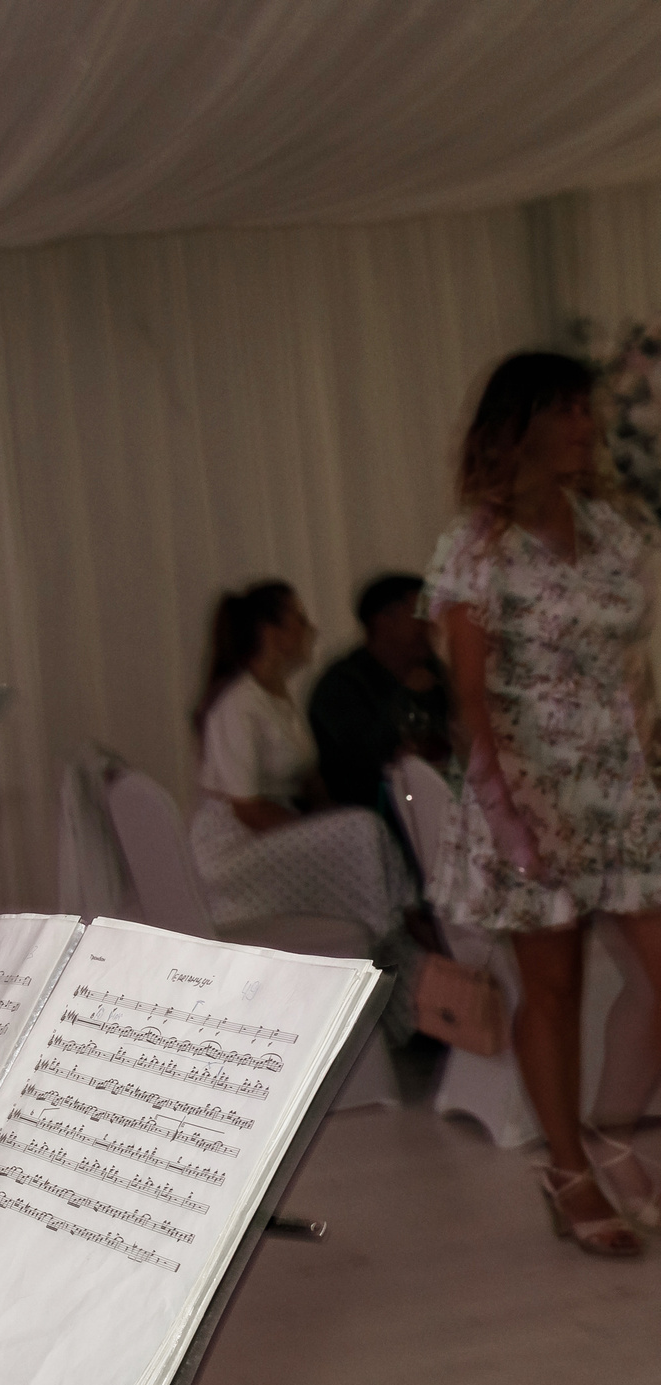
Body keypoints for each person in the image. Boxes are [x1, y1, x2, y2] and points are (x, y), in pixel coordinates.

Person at [425, 350, 661, 1258]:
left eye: (588, 411)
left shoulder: (607, 531)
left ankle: (611, 1133)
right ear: (518, 423)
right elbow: (471, 701)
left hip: (620, 790)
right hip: (527, 796)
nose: (585, 427)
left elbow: (630, 668)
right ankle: (570, 1175)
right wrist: (512, 817)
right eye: (566, 410)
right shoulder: (476, 545)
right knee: (553, 989)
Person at [188, 579, 421, 947]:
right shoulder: (238, 705)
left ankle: (402, 932)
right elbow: (248, 809)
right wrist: (315, 829)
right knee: (360, 833)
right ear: (272, 632)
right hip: (234, 849)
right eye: (299, 619)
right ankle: (388, 939)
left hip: (268, 830)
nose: (311, 630)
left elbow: (308, 782)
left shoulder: (278, 699)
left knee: (366, 825)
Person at [307, 572, 454, 873]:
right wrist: (406, 696)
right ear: (382, 620)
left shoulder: (436, 674)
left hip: (438, 802)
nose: (429, 626)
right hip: (375, 815)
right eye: (420, 615)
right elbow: (359, 757)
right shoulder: (341, 684)